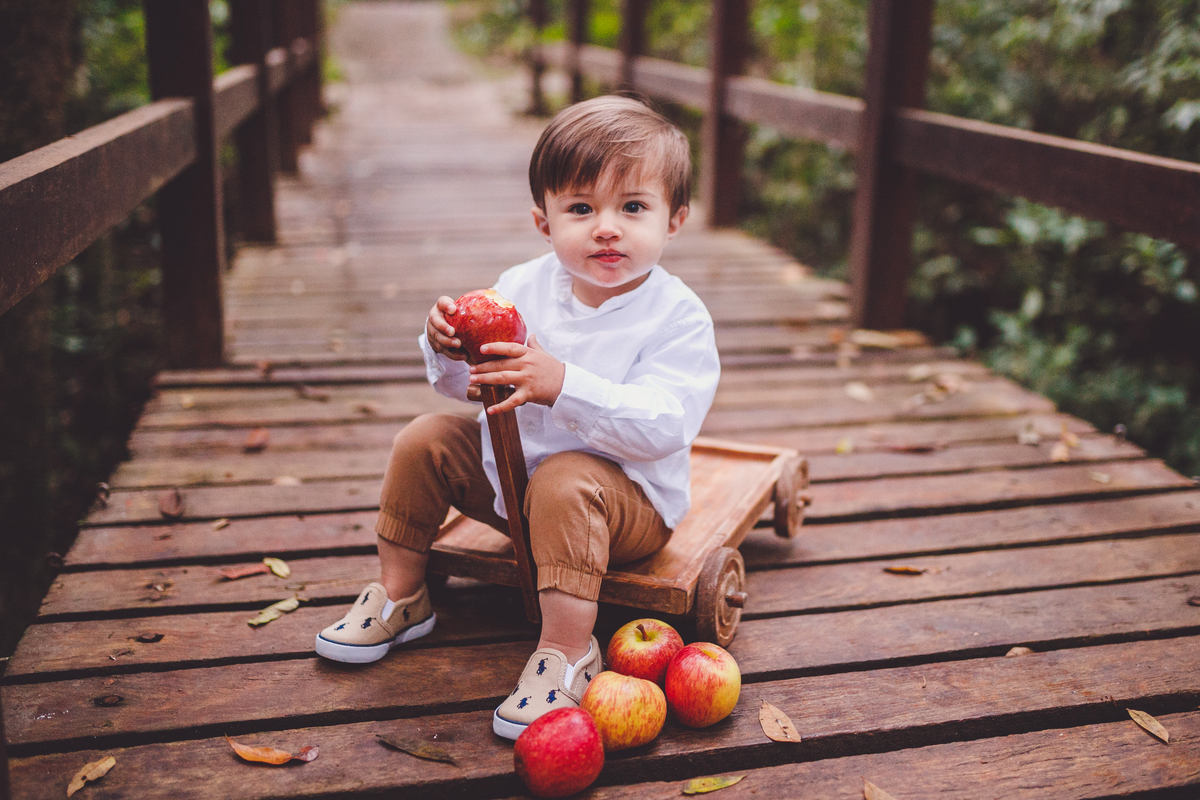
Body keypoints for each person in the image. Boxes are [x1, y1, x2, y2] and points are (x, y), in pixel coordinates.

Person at [314, 95, 720, 740]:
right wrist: (446, 347)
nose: (606, 227)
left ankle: (565, 649)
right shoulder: (521, 288)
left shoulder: (677, 318)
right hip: (515, 486)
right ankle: (402, 594)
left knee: (565, 477)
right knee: (424, 440)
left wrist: (563, 385)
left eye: (633, 207)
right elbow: (469, 388)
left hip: (627, 507)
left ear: (675, 220)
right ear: (544, 220)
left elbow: (665, 425)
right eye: (581, 209)